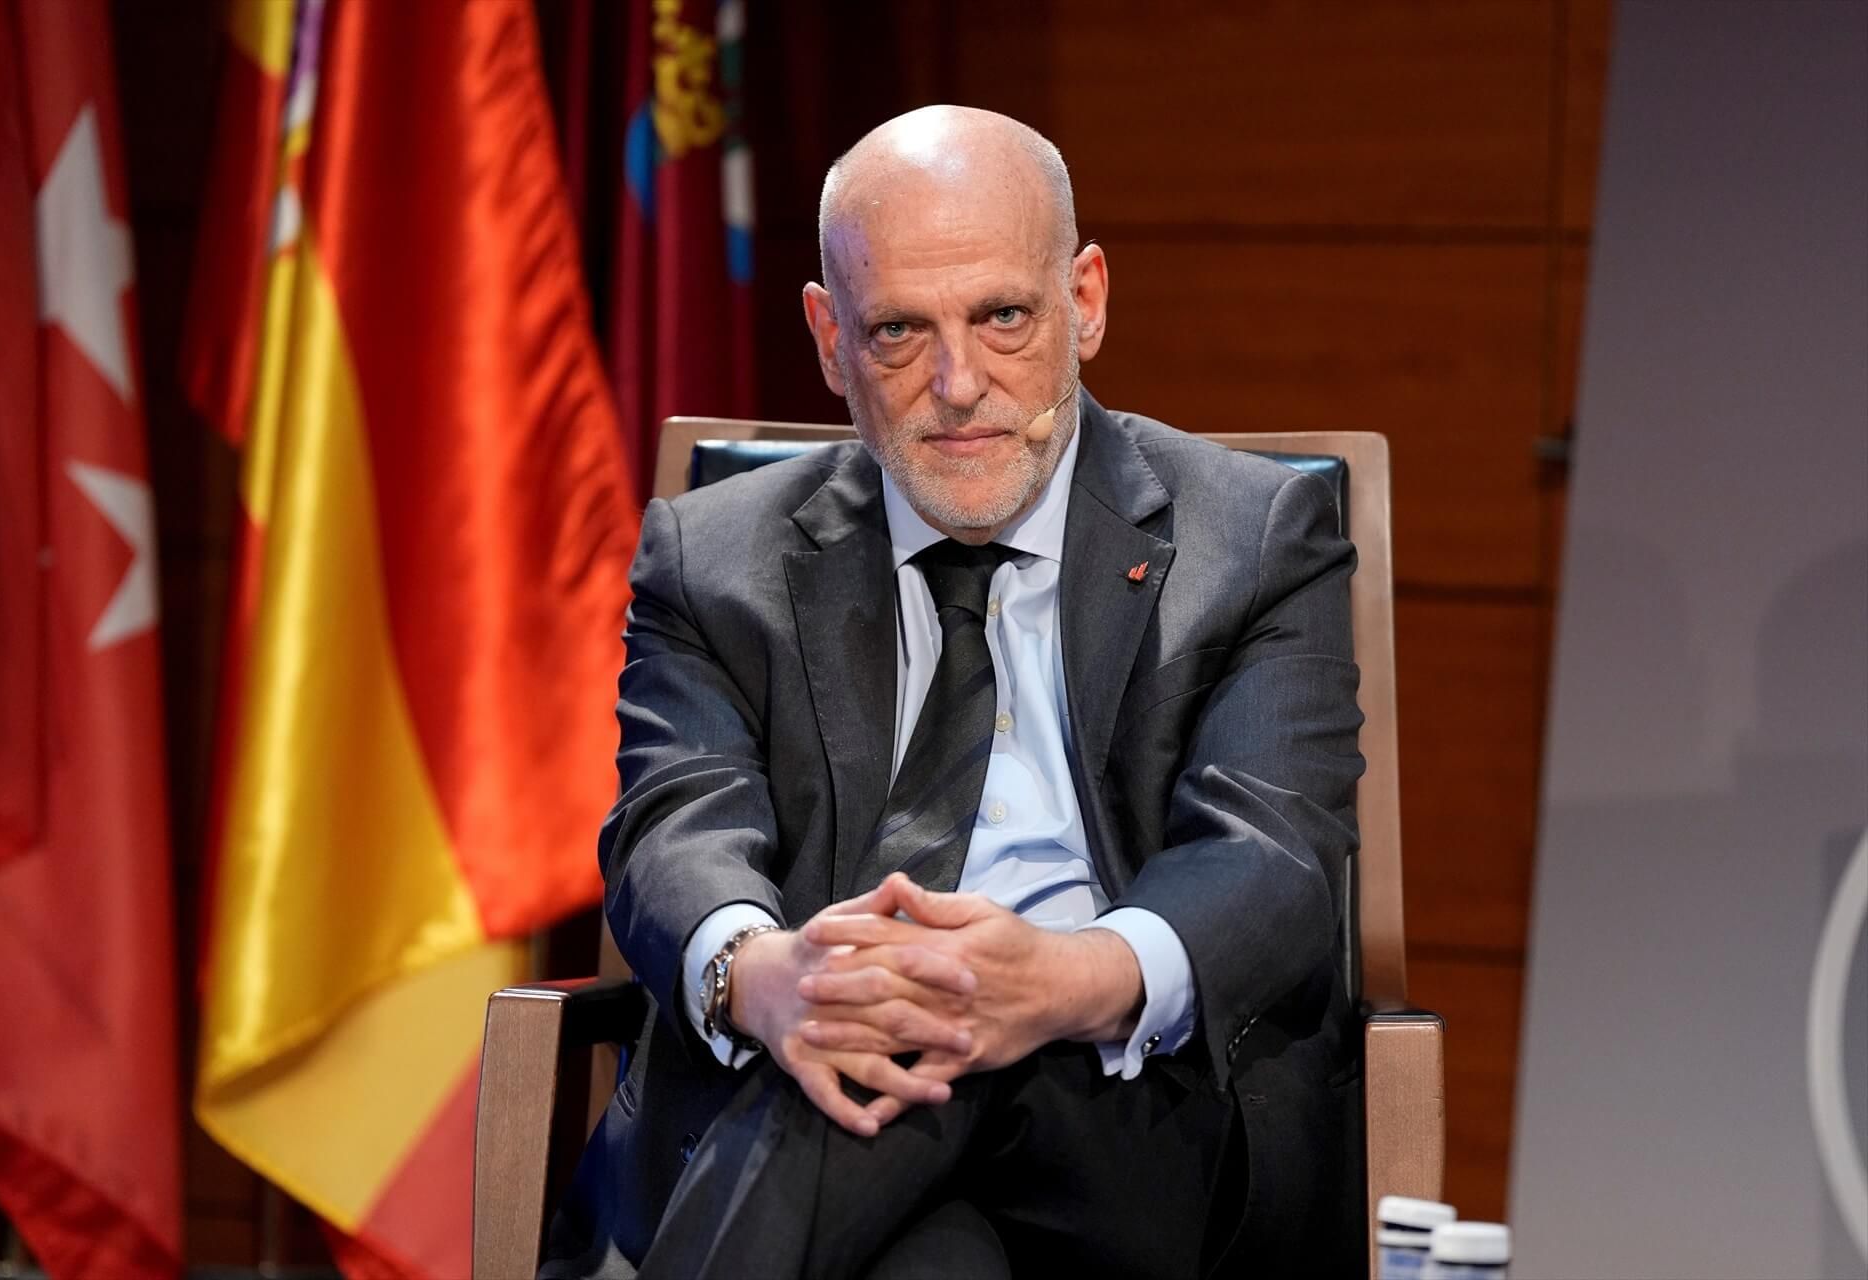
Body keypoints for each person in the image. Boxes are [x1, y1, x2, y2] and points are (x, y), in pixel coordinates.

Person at [544, 105, 1365, 1279]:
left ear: (1083, 301)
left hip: (1128, 1110)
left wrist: (1052, 982)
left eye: (1003, 316)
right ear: (830, 339)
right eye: (896, 331)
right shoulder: (714, 558)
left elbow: (1274, 853)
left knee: (910, 1060)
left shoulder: (1254, 538)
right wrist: (767, 974)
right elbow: (675, 824)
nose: (958, 382)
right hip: (826, 1067)